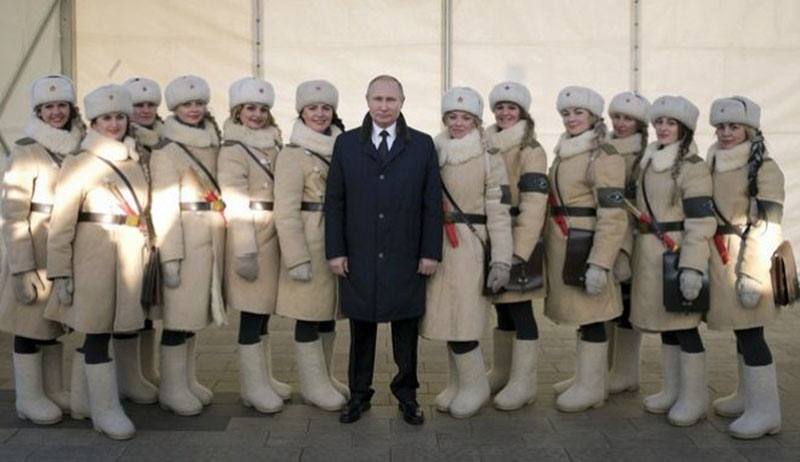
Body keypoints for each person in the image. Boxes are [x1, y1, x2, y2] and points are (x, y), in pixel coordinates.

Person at [325, 75, 442, 425]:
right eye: (378, 99)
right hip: (359, 254)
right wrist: (335, 251)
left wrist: (430, 252)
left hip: (406, 254)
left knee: (405, 328)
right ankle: (359, 395)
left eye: (391, 99)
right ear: (367, 101)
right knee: (361, 329)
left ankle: (407, 395)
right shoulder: (346, 144)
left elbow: (431, 204)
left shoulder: (421, 145)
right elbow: (335, 202)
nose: (384, 106)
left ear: (402, 102)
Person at [46, 84, 150, 440]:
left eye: (120, 116)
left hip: (128, 258)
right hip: (92, 260)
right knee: (96, 331)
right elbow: (61, 223)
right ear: (93, 122)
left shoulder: (133, 161)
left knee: (113, 329)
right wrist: (60, 272)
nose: (115, 124)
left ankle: (82, 402)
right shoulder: (78, 161)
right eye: (107, 118)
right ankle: (105, 411)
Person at [422, 86, 512, 418]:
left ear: (476, 120)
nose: (458, 123)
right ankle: (457, 384)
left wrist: (501, 259)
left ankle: (475, 387)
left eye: (465, 117)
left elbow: (499, 211)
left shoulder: (489, 156)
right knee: (448, 318)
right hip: (439, 245)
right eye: (452, 116)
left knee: (465, 318)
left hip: (471, 245)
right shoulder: (432, 150)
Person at [0, 74, 84, 425]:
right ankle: (29, 397)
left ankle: (53, 389)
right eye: (48, 107)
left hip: (63, 247)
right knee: (28, 325)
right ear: (38, 111)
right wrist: (21, 268)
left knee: (52, 323)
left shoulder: (78, 148)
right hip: (33, 249)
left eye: (61, 105)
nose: (55, 113)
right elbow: (13, 213)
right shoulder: (26, 150)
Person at [630, 95, 716, 426]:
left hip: (677, 253)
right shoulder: (648, 161)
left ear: (685, 128)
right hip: (649, 254)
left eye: (671, 123)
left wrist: (692, 267)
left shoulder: (694, 167)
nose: (663, 128)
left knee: (685, 326)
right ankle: (673, 389)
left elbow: (701, 222)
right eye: (659, 122)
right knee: (667, 324)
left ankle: (694, 398)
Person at [706, 96, 783, 439]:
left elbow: (768, 225)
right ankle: (746, 395)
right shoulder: (714, 162)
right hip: (722, 258)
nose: (725, 133)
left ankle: (766, 411)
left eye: (734, 126)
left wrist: (751, 275)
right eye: (721, 126)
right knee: (741, 329)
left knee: (752, 333)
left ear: (749, 129)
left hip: (749, 260)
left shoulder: (765, 168)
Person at [546, 86, 626, 413]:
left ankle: (592, 388)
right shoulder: (567, 150)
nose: (571, 118)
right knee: (582, 313)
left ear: (593, 116)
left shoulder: (604, 155)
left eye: (578, 112)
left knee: (593, 315)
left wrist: (600, 262)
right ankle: (586, 377)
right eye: (566, 113)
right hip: (566, 242)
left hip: (587, 244)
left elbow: (614, 214)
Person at [150, 75, 224, 416]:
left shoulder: (213, 143)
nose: (194, 110)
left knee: (193, 315)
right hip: (184, 241)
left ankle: (186, 380)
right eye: (186, 104)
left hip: (209, 239)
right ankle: (171, 388)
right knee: (177, 318)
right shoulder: (167, 151)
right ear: (174, 108)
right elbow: (163, 205)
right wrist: (171, 255)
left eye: (198, 103)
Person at [274, 80, 348, 411]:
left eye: (326, 108)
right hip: (309, 241)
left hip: (336, 239)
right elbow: (285, 210)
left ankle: (325, 377)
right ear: (301, 112)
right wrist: (296, 258)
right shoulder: (292, 154)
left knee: (328, 312)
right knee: (307, 315)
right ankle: (312, 385)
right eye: (312, 108)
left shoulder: (342, 148)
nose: (320, 114)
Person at [219, 77, 290, 414]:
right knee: (251, 313)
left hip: (273, 232)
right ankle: (252, 386)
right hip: (251, 235)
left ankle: (264, 378)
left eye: (262, 109)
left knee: (263, 313)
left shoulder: (274, 145)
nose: (257, 115)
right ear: (237, 111)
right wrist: (245, 249)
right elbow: (234, 199)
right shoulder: (233, 149)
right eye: (250, 108)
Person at [484, 81, 548, 410]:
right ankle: (502, 372)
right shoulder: (484, 143)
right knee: (503, 306)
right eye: (500, 107)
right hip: (493, 234)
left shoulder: (530, 149)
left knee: (521, 308)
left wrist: (520, 251)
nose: (505, 113)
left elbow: (535, 205)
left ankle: (524, 382)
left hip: (518, 236)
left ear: (522, 112)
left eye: (512, 108)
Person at [604, 91, 651, 394]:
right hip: (604, 234)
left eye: (628, 119)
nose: (620, 123)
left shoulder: (643, 157)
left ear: (640, 124)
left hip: (630, 240)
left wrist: (625, 248)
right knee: (604, 302)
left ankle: (624, 372)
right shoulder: (603, 149)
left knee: (626, 302)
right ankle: (603, 369)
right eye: (617, 117)